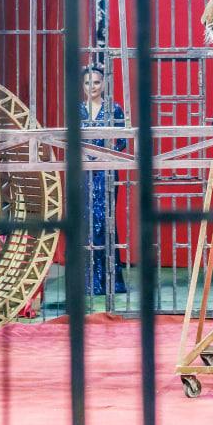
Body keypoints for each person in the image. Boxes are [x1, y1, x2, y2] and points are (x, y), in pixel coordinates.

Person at [79, 65, 128, 295]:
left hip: (106, 172)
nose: (92, 87)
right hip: (83, 172)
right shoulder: (77, 110)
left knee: (105, 220)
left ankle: (109, 280)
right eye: (88, 83)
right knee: (86, 221)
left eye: (97, 82)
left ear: (104, 84)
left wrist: (106, 155)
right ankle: (87, 281)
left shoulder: (114, 109)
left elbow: (122, 140)